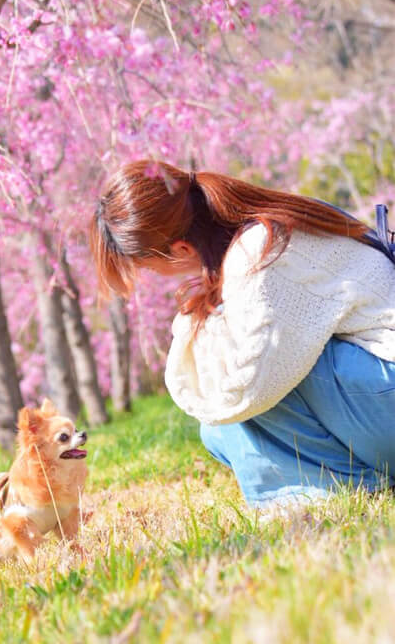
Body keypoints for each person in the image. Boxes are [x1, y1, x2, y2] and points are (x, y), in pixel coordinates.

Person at [91, 160, 395, 509]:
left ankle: (319, 492)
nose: (155, 277)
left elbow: (243, 385)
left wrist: (189, 328)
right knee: (220, 431)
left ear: (181, 249)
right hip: (378, 394)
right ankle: (339, 483)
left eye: (147, 267)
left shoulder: (259, 251)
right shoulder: (258, 230)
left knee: (246, 386)